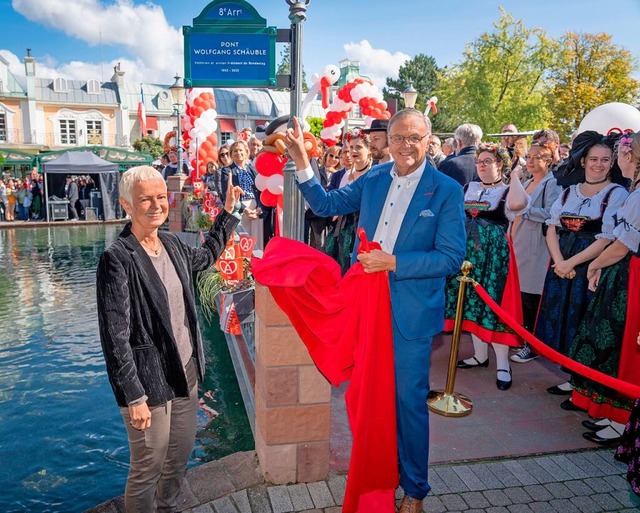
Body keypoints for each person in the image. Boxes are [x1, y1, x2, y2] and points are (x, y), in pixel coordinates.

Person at [286, 108, 466, 513]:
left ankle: (415, 490)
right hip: (365, 305)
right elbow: (326, 202)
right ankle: (378, 476)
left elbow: (452, 257)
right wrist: (302, 163)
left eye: (414, 137)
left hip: (409, 315)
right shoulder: (374, 177)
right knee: (368, 397)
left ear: (428, 139)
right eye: (399, 136)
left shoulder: (446, 190)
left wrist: (395, 263)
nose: (406, 145)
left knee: (408, 403)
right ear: (388, 139)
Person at [96, 166, 242, 513]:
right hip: (148, 385)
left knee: (178, 459)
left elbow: (205, 257)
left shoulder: (173, 244)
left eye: (161, 197)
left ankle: (170, 508)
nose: (156, 205)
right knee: (147, 468)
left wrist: (229, 214)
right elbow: (115, 338)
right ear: (126, 205)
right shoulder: (117, 259)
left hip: (186, 375)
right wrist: (134, 396)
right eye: (145, 199)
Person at [535, 131, 628, 402]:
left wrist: (571, 263)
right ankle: (573, 376)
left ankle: (584, 384)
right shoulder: (568, 192)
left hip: (590, 265)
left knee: (584, 320)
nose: (598, 164)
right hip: (562, 262)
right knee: (563, 318)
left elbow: (607, 238)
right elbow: (551, 227)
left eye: (605, 160)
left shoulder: (616, 193)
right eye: (593, 159)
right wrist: (559, 261)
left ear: (612, 163)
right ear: (584, 161)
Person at [568, 132, 640, 445]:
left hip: (631, 276)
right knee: (611, 345)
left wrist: (595, 265)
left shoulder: (637, 196)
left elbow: (624, 244)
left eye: (620, 153)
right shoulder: (634, 192)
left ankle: (621, 418)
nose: (616, 160)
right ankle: (612, 413)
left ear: (632, 158)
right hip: (625, 274)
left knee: (621, 346)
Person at [448, 143, 528, 390]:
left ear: (500, 164)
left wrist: (514, 174)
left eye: (488, 162)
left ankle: (503, 364)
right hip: (466, 255)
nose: (482, 166)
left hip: (494, 258)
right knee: (470, 302)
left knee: (493, 305)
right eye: (479, 162)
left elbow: (517, 205)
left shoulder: (507, 191)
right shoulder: (467, 188)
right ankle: (480, 355)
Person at [510, 140, 562, 364]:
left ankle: (531, 345)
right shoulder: (527, 180)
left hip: (537, 248)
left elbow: (553, 212)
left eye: (537, 157)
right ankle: (521, 337)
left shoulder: (553, 184)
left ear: (548, 161)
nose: (530, 161)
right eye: (528, 157)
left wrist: (525, 209)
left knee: (531, 297)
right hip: (517, 244)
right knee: (520, 296)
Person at [322, 128, 374, 275]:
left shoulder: (374, 173)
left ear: (369, 149)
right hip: (344, 225)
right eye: (351, 147)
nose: (353, 151)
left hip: (363, 225)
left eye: (358, 147)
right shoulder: (346, 175)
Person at [220, 139, 265, 250]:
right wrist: (245, 209)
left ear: (246, 152)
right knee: (242, 238)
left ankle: (257, 263)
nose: (238, 153)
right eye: (235, 151)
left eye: (240, 150)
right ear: (231, 154)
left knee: (257, 240)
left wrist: (260, 207)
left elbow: (261, 189)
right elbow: (227, 193)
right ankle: (244, 263)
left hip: (256, 208)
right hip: (239, 208)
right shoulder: (227, 171)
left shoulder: (253, 169)